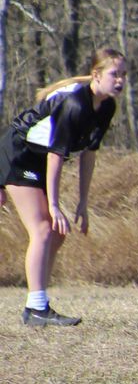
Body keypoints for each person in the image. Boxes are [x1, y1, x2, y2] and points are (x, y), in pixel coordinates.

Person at [2, 47, 127, 326]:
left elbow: (88, 154)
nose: (120, 80)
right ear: (96, 75)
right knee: (44, 229)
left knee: (57, 234)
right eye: (114, 74)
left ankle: (37, 304)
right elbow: (55, 156)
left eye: (124, 75)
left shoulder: (106, 105)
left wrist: (83, 203)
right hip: (18, 155)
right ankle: (36, 309)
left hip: (37, 160)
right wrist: (56, 206)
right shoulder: (76, 104)